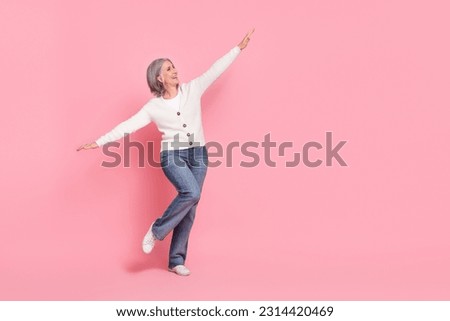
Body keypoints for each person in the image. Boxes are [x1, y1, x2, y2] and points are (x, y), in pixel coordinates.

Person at [77, 29, 254, 276]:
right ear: (159, 78)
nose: (175, 71)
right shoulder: (154, 107)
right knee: (190, 192)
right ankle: (157, 230)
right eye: (169, 69)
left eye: (174, 67)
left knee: (190, 206)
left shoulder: (193, 89)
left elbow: (215, 70)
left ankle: (176, 260)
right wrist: (99, 141)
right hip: (172, 155)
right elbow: (128, 125)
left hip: (199, 154)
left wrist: (239, 47)